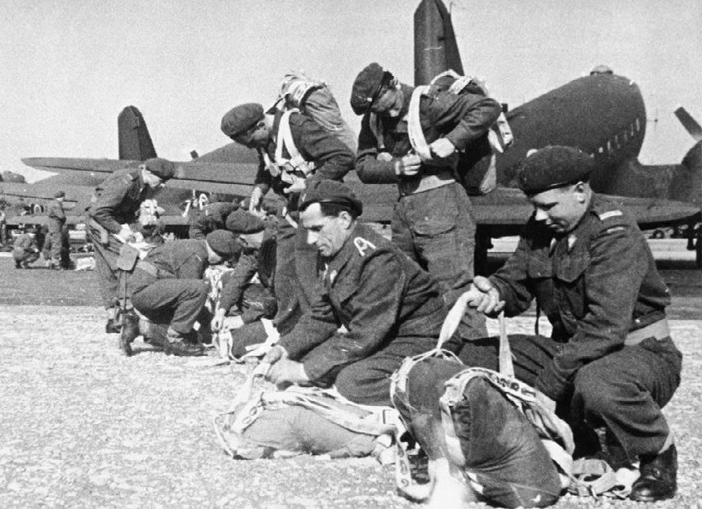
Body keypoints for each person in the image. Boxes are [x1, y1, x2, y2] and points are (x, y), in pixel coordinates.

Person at [465, 146, 682, 502]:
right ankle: (571, 440)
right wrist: (496, 293)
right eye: (534, 205)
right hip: (574, 350)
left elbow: (606, 327)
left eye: (548, 206)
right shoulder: (541, 229)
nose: (538, 215)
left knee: (597, 383)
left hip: (639, 353)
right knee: (475, 356)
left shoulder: (615, 233)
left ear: (580, 191)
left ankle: (657, 453)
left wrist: (548, 387)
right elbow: (516, 283)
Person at [261, 180, 458, 406]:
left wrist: (304, 371)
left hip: (421, 340)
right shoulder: (335, 250)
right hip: (386, 335)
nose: (311, 240)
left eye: (317, 228)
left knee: (352, 383)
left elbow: (366, 333)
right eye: (307, 230)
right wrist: (285, 347)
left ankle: (443, 385)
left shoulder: (377, 259)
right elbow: (322, 316)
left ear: (344, 219)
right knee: (312, 361)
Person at [350, 62, 502, 334]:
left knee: (455, 289)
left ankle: (474, 362)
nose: (390, 113)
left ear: (394, 83)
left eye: (389, 104)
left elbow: (488, 108)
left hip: (441, 200)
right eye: (379, 110)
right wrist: (394, 168)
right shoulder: (374, 118)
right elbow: (362, 166)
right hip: (405, 208)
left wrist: (453, 141)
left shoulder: (428, 103)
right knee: (410, 289)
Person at [120, 229, 242, 357]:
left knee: (194, 340)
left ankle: (138, 326)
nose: (222, 263)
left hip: (150, 291)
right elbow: (194, 295)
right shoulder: (195, 256)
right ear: (217, 252)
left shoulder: (196, 247)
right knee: (199, 288)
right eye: (224, 258)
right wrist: (210, 322)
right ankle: (175, 340)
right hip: (145, 292)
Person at [87, 158, 175, 333]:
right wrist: (120, 231)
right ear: (149, 172)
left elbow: (125, 211)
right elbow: (98, 211)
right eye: (162, 179)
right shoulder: (126, 182)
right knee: (127, 263)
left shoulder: (142, 185)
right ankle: (126, 315)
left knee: (108, 270)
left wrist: (135, 229)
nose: (163, 185)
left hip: (108, 224)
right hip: (103, 225)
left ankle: (113, 319)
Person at [220, 102, 354, 214]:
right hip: (294, 207)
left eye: (251, 142)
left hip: (326, 206)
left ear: (261, 126)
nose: (251, 147)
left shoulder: (298, 128)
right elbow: (268, 166)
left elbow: (344, 157)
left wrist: (308, 184)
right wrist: (259, 189)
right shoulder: (263, 140)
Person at [46, 191, 68, 269]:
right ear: (62, 197)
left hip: (53, 225)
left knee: (54, 243)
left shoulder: (53, 203)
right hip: (56, 225)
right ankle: (56, 263)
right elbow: (61, 216)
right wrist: (65, 218)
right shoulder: (56, 204)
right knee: (57, 243)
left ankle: (51, 261)